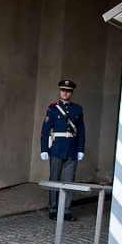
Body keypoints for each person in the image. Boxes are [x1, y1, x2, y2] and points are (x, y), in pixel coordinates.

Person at [39, 80, 85, 221]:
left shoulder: (77, 109)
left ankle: (66, 210)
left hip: (72, 147)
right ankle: (53, 208)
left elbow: (81, 130)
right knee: (54, 179)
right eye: (63, 90)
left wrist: (81, 148)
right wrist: (44, 149)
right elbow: (45, 130)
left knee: (69, 181)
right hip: (57, 147)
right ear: (60, 91)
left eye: (68, 91)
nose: (65, 93)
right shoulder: (52, 109)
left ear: (71, 93)